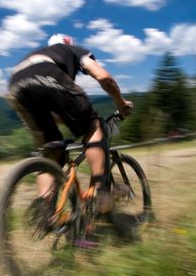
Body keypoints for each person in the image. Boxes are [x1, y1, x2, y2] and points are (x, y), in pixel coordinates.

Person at [7, 33, 133, 214]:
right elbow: (104, 77)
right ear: (68, 43)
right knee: (93, 125)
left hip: (16, 83)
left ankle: (45, 212)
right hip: (46, 75)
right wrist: (121, 104)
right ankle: (101, 193)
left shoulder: (42, 53)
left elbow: (55, 113)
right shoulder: (72, 50)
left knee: (51, 148)